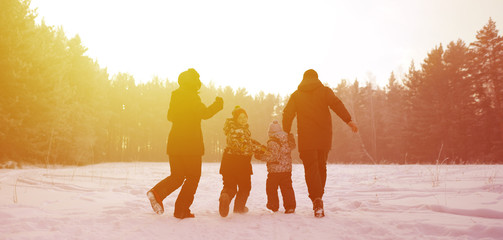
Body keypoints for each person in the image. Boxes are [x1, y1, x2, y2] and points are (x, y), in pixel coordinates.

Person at [147, 68, 223, 219]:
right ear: (194, 81)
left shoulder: (175, 96)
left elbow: (170, 116)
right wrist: (218, 105)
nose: (199, 82)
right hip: (191, 145)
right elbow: (205, 113)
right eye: (197, 79)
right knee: (193, 177)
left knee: (177, 176)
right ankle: (181, 210)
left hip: (175, 143)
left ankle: (157, 192)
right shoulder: (192, 97)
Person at [282, 69, 358, 218]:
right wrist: (348, 120)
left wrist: (286, 132)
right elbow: (337, 104)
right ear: (316, 78)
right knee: (321, 166)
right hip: (323, 137)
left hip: (306, 138)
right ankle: (318, 198)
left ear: (303, 79)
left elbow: (287, 114)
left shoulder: (296, 95)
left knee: (311, 168)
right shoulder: (324, 91)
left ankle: (316, 199)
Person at [218, 106, 266, 217]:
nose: (243, 119)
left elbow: (247, 141)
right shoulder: (238, 130)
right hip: (241, 163)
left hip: (228, 162)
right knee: (245, 187)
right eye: (240, 117)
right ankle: (239, 208)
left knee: (230, 187)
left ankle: (225, 196)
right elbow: (244, 146)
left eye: (245, 116)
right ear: (236, 119)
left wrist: (259, 145)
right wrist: (262, 150)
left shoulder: (233, 129)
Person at [259, 120, 296, 214]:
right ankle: (290, 206)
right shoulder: (286, 139)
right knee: (287, 188)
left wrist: (260, 156)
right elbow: (292, 146)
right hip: (286, 170)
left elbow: (272, 156)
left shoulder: (272, 142)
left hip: (274, 171)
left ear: (270, 133)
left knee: (271, 188)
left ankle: (273, 205)